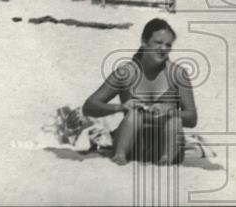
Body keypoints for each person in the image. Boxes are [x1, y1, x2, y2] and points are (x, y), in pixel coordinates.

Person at [83, 19, 197, 165]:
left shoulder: (178, 74)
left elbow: (192, 118)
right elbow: (89, 106)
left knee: (174, 119)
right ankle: (120, 156)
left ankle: (166, 160)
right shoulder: (126, 74)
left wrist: (168, 111)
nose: (163, 48)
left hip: (165, 144)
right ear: (144, 42)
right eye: (158, 42)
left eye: (168, 45)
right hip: (132, 144)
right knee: (134, 114)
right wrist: (120, 107)